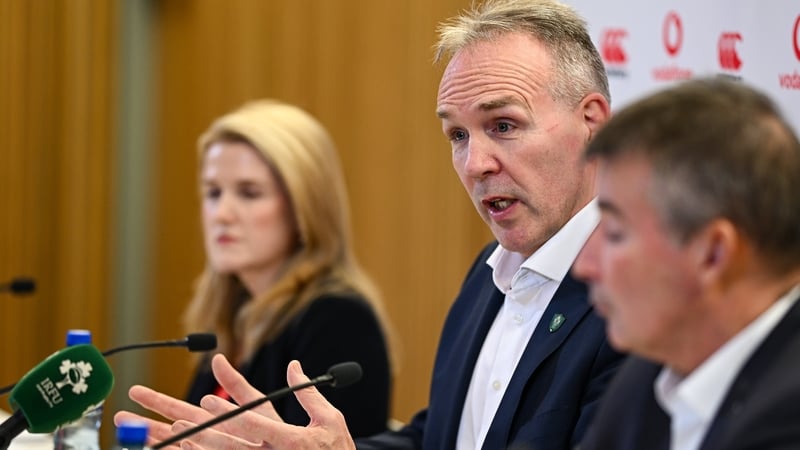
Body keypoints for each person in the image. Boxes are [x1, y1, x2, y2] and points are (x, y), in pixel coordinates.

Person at [114, 1, 625, 449]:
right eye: (457, 135)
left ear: (594, 124)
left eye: (504, 126)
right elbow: (438, 436)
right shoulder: (489, 276)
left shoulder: (636, 304)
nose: (475, 164)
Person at [573, 78, 800, 450]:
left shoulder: (788, 423)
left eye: (614, 233)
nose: (584, 265)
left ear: (713, 253)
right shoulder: (649, 374)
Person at [174, 99, 393, 438]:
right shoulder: (234, 317)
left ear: (303, 208)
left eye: (249, 193)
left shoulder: (339, 322)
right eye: (213, 192)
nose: (222, 214)